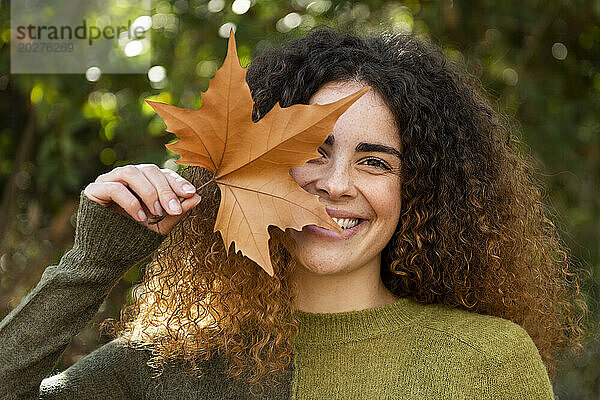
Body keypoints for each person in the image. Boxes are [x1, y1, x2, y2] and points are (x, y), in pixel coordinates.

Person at [0, 25, 587, 399]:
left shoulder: (486, 360)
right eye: (312, 152)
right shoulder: (172, 368)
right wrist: (92, 264)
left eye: (376, 163)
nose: (336, 185)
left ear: (425, 190)